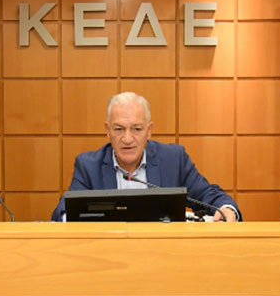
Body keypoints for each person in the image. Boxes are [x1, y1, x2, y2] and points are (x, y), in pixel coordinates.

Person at [52, 92, 241, 222]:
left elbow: (208, 195)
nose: (127, 138)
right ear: (107, 130)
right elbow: (63, 212)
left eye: (136, 129)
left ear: (149, 131)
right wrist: (72, 220)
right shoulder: (88, 166)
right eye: (119, 129)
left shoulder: (173, 160)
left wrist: (226, 208)